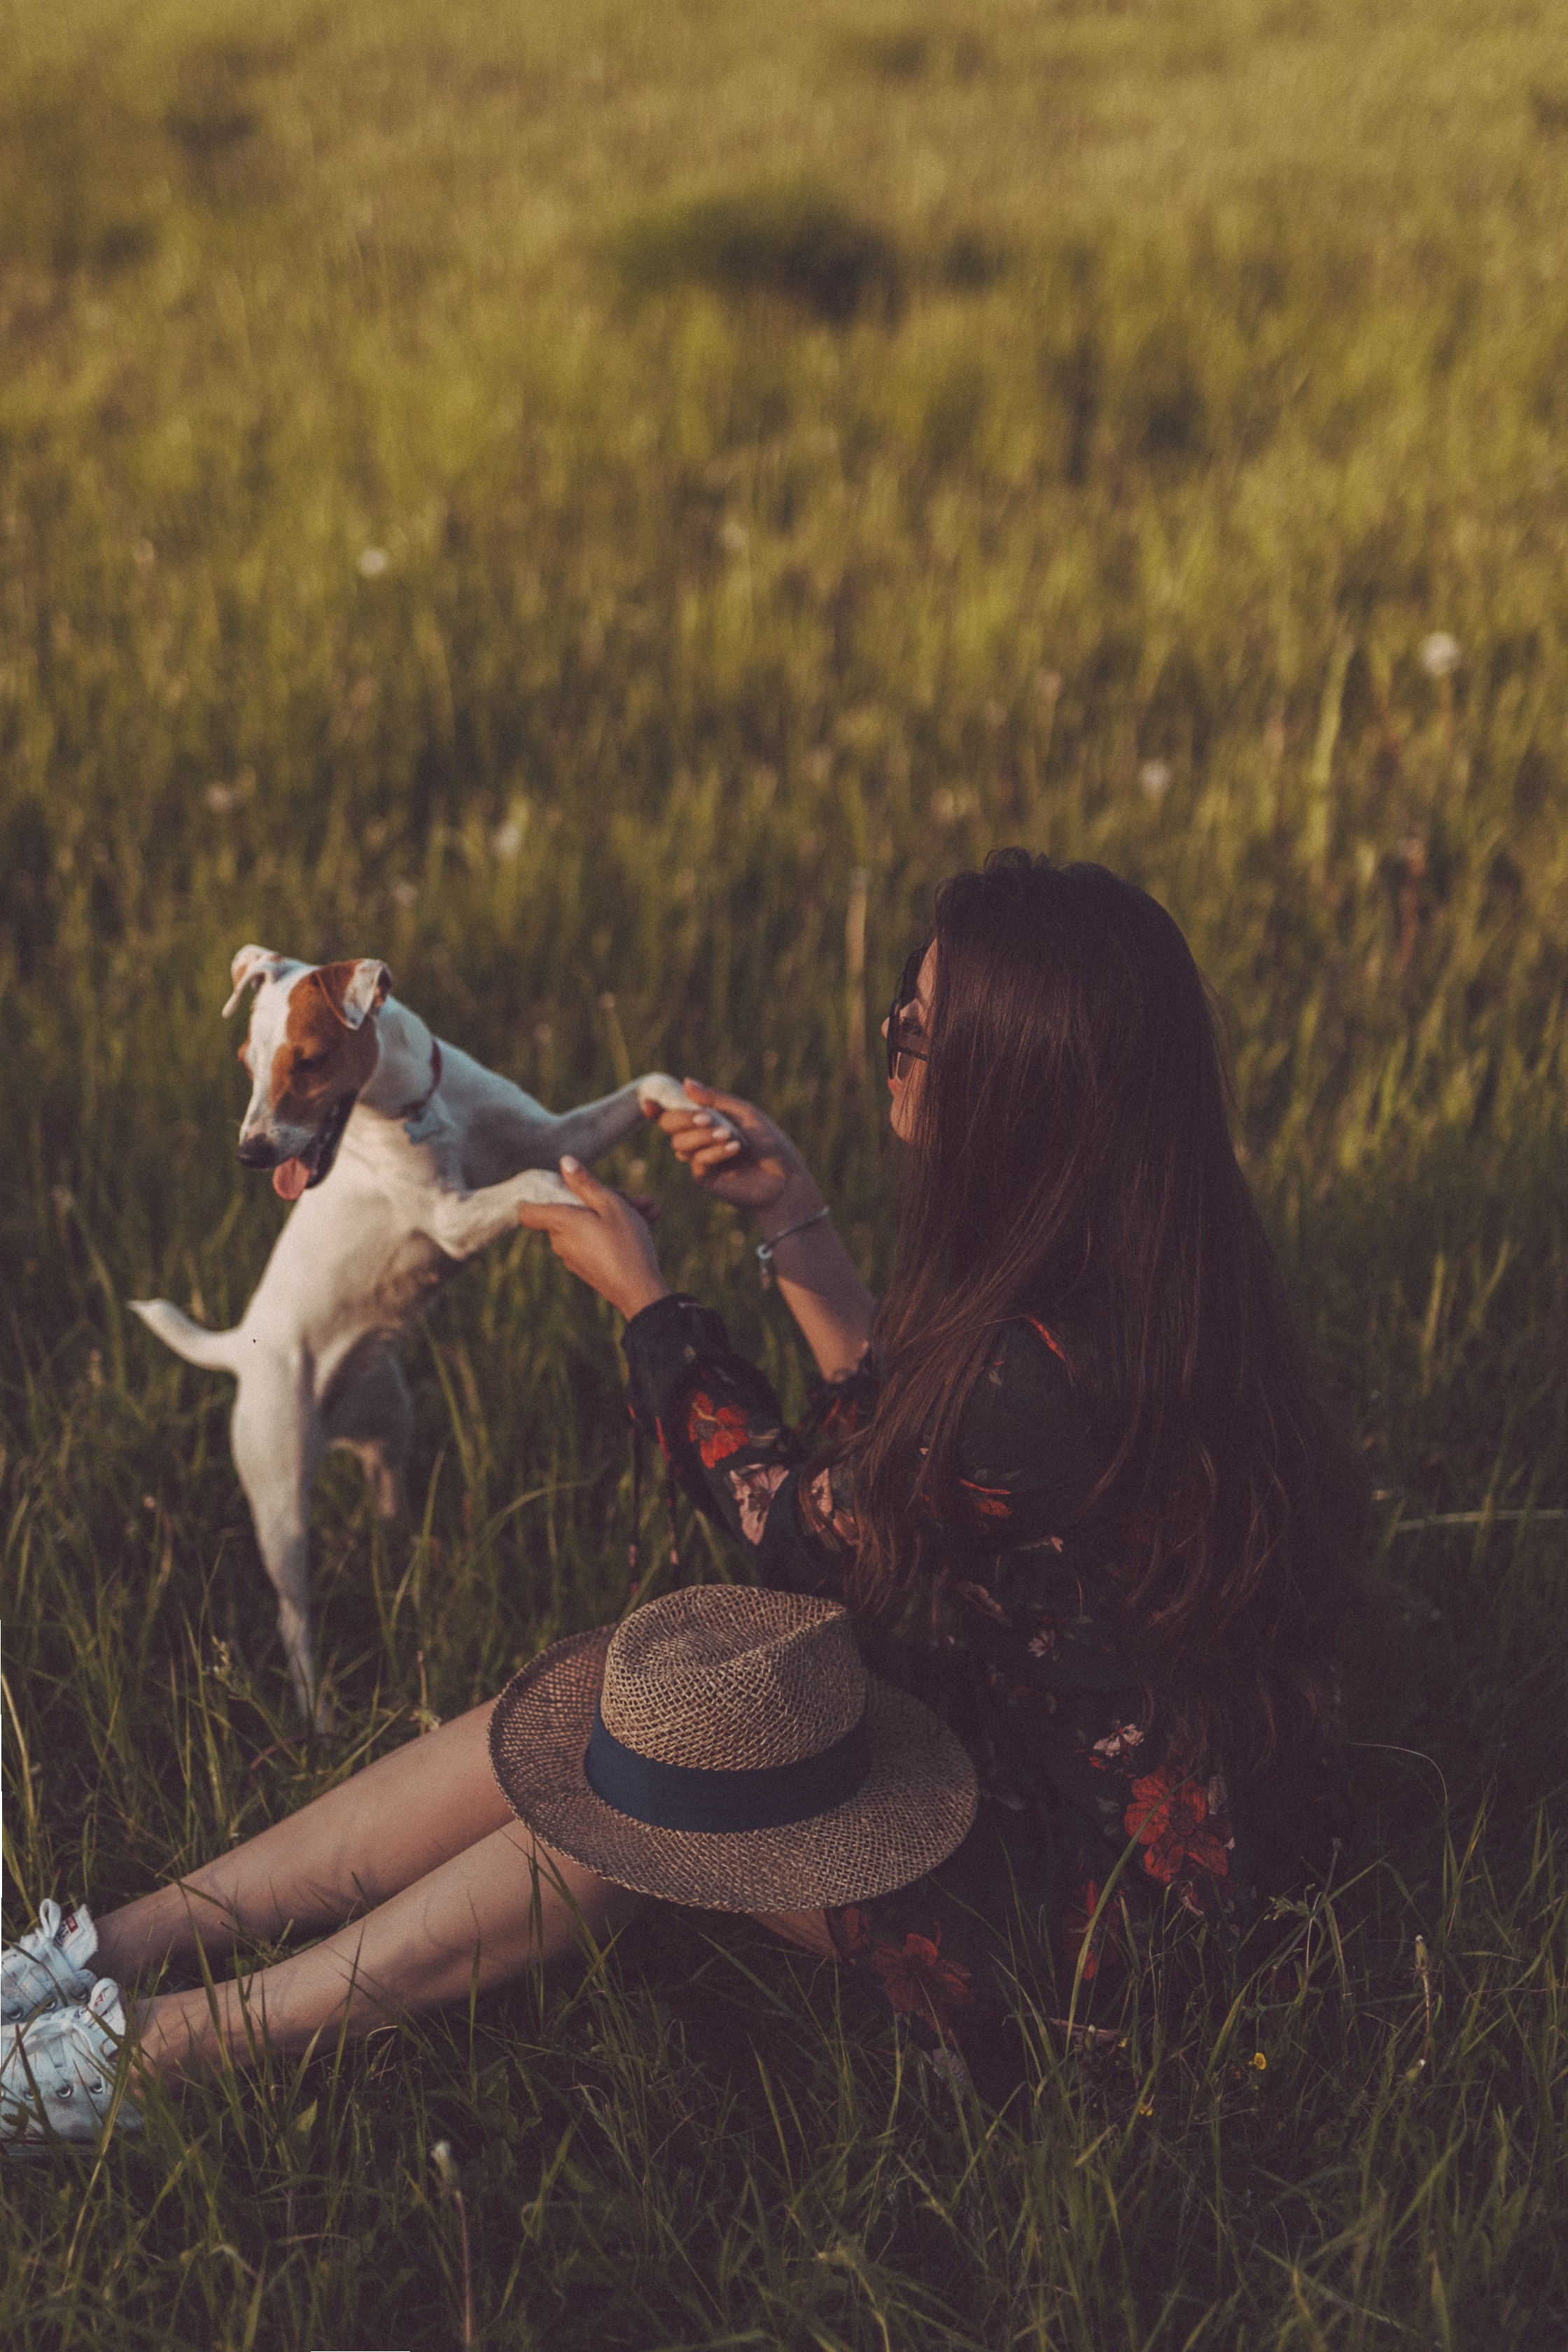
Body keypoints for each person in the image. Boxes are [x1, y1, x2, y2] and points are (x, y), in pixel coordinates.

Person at [1, 851, 1362, 2136]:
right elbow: (908, 1459)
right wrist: (794, 1224)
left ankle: (159, 2059)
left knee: (664, 1758)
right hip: (1039, 1758)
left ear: (1022, 1089)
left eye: (918, 1033)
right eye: (902, 1005)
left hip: (1091, 1916)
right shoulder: (1134, 1264)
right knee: (633, 1690)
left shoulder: (1038, 1373)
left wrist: (653, 1311)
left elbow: (821, 1538)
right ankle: (112, 1950)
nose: (889, 1040)